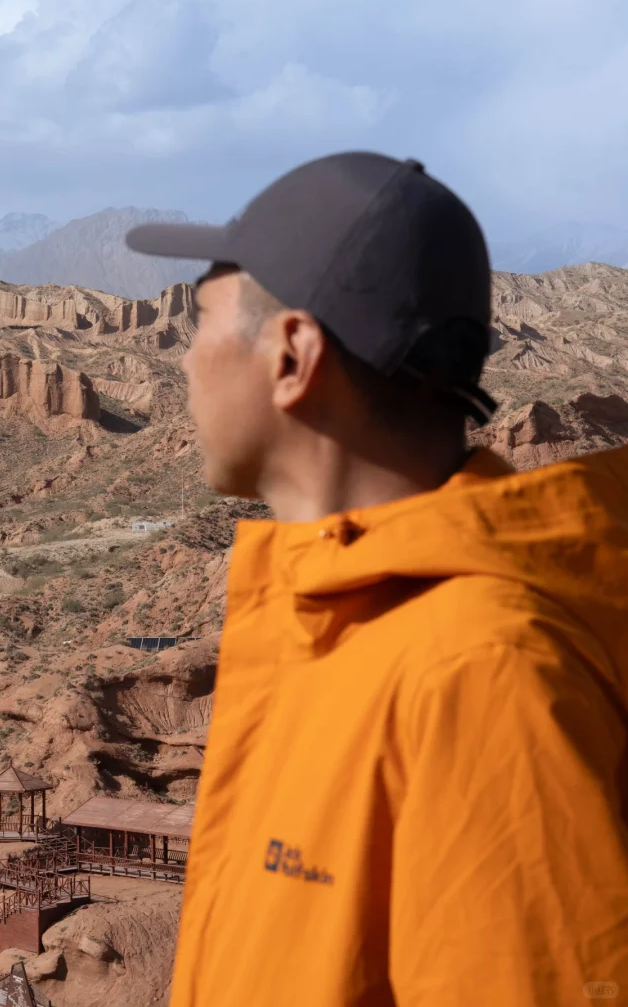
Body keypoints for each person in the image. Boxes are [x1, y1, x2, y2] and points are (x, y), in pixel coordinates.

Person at [126, 151, 628, 1007]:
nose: (180, 363)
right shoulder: (334, 625)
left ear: (292, 356)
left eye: (196, 325)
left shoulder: (479, 676)